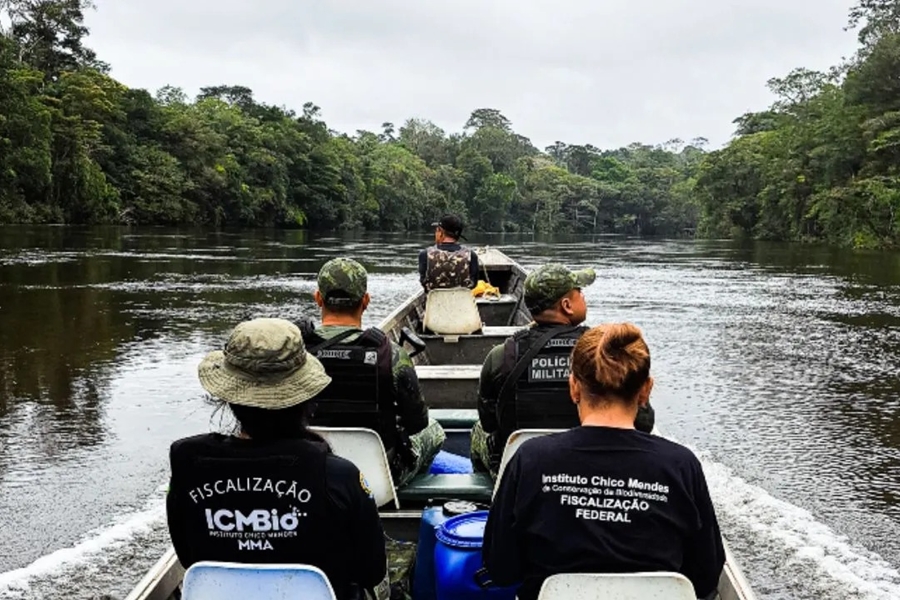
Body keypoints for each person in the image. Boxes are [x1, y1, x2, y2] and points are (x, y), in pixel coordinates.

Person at [482, 323, 725, 600]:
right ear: (646, 390)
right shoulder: (682, 465)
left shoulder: (530, 459)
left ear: (573, 387)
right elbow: (705, 576)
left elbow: (500, 568)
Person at [166, 318, 388, 600]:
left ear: (230, 398)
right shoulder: (338, 475)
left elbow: (188, 557)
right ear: (304, 398)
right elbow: (371, 571)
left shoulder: (186, 463)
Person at [470, 263, 655, 476]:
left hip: (523, 471)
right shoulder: (607, 354)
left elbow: (489, 422)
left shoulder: (502, 356)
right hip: (596, 468)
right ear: (567, 305)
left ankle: (488, 497)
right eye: (580, 292)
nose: (584, 297)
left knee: (477, 431)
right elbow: (644, 422)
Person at [299, 257, 445, 487]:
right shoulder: (393, 355)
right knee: (435, 430)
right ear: (365, 301)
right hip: (377, 479)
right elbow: (418, 422)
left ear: (318, 298)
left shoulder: (294, 352)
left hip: (307, 468)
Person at [418, 214, 479, 292]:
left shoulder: (425, 255)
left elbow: (423, 281)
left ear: (440, 231)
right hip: (462, 302)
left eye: (437, 230)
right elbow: (473, 284)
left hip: (434, 302)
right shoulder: (471, 255)